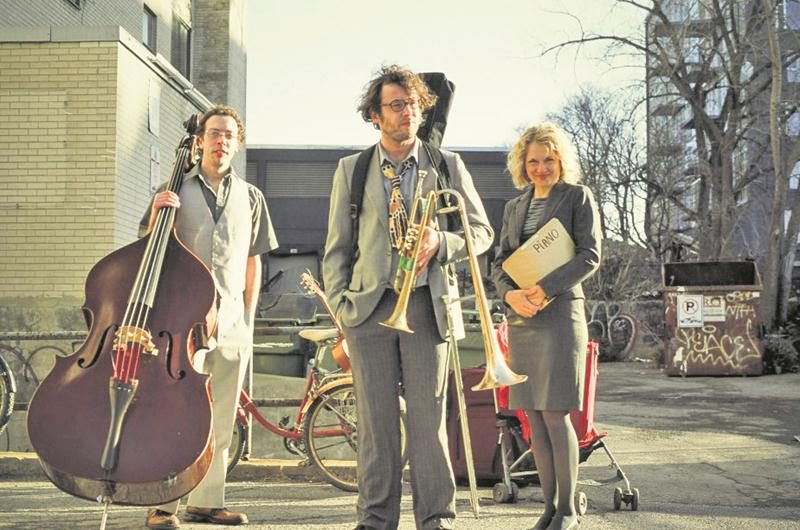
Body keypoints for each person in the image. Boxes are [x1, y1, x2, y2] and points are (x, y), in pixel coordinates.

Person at [322, 65, 493, 530]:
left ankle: (436, 519)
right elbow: (337, 248)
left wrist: (443, 241)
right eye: (396, 105)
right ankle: (375, 519)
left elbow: (481, 233)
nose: (407, 113)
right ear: (375, 115)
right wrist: (342, 307)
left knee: (428, 423)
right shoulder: (351, 170)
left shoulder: (446, 164)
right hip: (369, 309)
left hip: (425, 306)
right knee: (376, 428)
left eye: (414, 104)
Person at [140, 105, 278, 529]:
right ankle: (163, 506)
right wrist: (154, 216)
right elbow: (147, 252)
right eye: (214, 133)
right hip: (183, 321)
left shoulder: (252, 197)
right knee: (177, 412)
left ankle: (208, 500)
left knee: (221, 415)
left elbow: (253, 261)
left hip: (235, 319)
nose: (221, 141)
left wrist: (249, 316)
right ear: (199, 139)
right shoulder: (173, 187)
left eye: (229, 135)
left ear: (237, 144)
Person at [492, 122, 601, 530]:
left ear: (561, 161)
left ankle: (569, 509)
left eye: (549, 160)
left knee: (556, 413)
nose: (541, 168)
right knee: (532, 416)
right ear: (523, 163)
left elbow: (589, 255)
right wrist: (510, 295)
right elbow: (499, 263)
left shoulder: (578, 197)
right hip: (523, 318)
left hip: (559, 316)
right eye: (534, 160)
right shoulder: (513, 208)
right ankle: (549, 507)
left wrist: (544, 288)